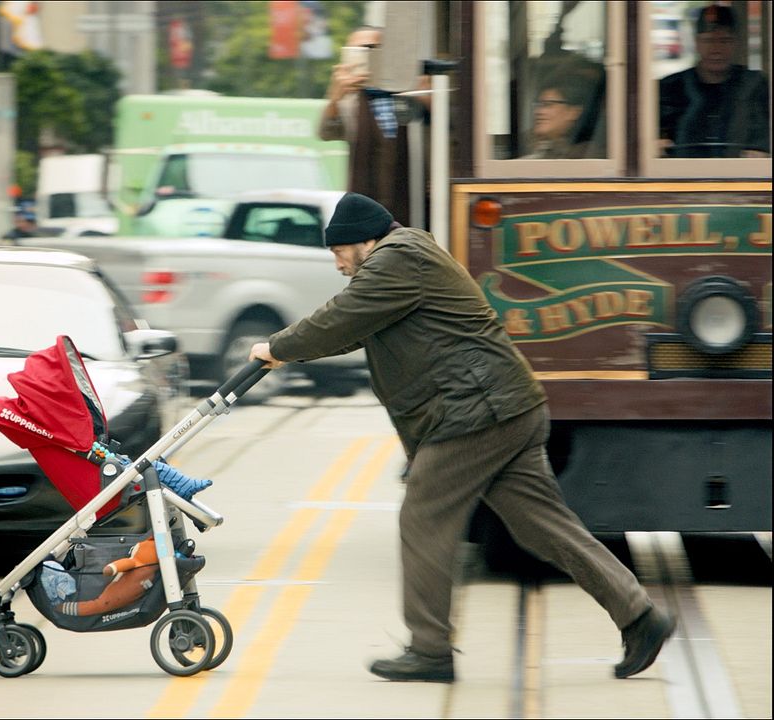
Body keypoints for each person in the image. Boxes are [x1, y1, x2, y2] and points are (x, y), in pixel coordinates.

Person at [248, 192, 674, 683]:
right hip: (506, 407)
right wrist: (288, 355)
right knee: (544, 526)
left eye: (339, 249)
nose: (337, 261)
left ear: (364, 239)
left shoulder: (398, 257)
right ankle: (640, 617)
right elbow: (353, 330)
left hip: (477, 413)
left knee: (424, 516)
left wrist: (277, 345)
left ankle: (429, 650)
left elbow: (342, 317)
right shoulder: (403, 260)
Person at [319, 27, 428, 225]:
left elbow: (446, 127)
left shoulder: (405, 91)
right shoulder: (350, 98)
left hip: (411, 205)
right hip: (366, 209)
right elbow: (327, 132)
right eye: (358, 51)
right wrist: (334, 98)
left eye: (373, 49)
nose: (366, 56)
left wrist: (422, 94)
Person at [658, 4, 770, 158]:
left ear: (735, 43)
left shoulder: (753, 85)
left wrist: (760, 152)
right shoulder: (671, 88)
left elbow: (764, 135)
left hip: (741, 177)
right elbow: (654, 139)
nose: (716, 49)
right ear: (697, 43)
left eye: (724, 41)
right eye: (708, 40)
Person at [523, 72, 600, 159]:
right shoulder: (533, 148)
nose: (538, 111)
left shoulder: (589, 155)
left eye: (548, 104)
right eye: (539, 105)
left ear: (573, 112)